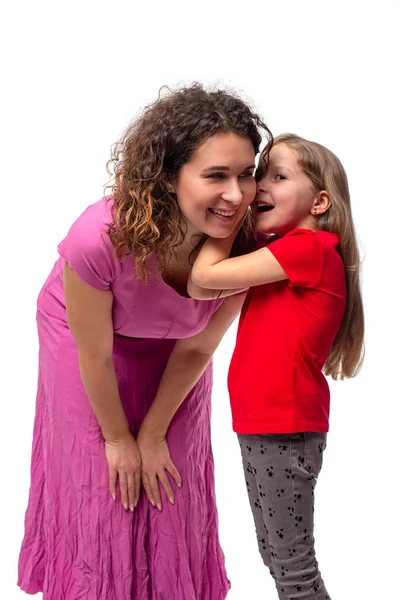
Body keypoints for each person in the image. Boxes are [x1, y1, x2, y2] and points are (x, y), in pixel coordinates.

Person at [17, 83, 272, 600]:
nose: (236, 193)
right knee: (109, 479)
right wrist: (118, 439)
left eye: (246, 174)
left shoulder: (248, 247)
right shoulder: (98, 238)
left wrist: (152, 433)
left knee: (167, 475)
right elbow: (94, 354)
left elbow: (199, 348)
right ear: (168, 177)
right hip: (86, 336)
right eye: (215, 175)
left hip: (179, 344)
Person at [188, 133, 365, 599]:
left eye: (278, 176)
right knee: (276, 554)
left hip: (283, 427)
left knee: (292, 566)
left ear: (320, 201)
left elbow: (205, 275)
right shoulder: (283, 253)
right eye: (259, 174)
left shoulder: (307, 248)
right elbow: (202, 288)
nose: (258, 187)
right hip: (263, 425)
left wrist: (226, 218)